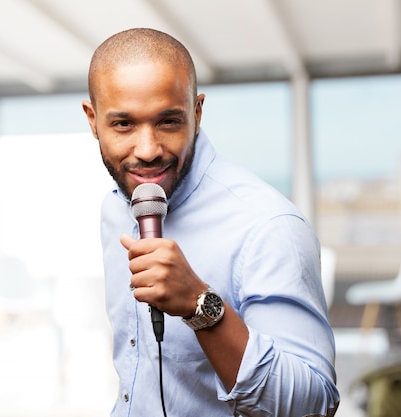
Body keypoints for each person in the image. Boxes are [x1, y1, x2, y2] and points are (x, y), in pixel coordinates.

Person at [82, 28, 340, 417]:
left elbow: (313, 405)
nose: (148, 150)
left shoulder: (268, 226)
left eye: (169, 122)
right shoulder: (115, 208)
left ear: (197, 113)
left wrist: (199, 305)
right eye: (124, 125)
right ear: (92, 120)